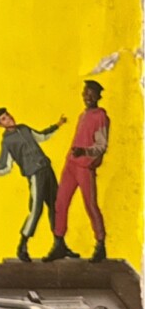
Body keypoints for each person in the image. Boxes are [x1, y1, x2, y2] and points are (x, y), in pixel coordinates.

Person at [0, 108, 69, 262]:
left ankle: (59, 244)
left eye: (8, 115)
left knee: (56, 206)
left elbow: (41, 136)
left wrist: (57, 125)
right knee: (36, 210)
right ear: (0, 125)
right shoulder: (7, 142)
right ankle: (22, 246)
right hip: (35, 174)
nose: (9, 118)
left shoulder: (24, 128)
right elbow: (5, 167)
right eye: (4, 119)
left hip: (47, 169)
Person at [49, 80, 110, 263]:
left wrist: (84, 152)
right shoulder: (83, 115)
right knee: (60, 203)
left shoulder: (101, 116)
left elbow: (101, 146)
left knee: (90, 205)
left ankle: (100, 244)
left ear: (98, 96)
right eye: (85, 93)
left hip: (85, 167)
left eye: (91, 94)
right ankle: (59, 243)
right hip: (70, 165)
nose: (87, 97)